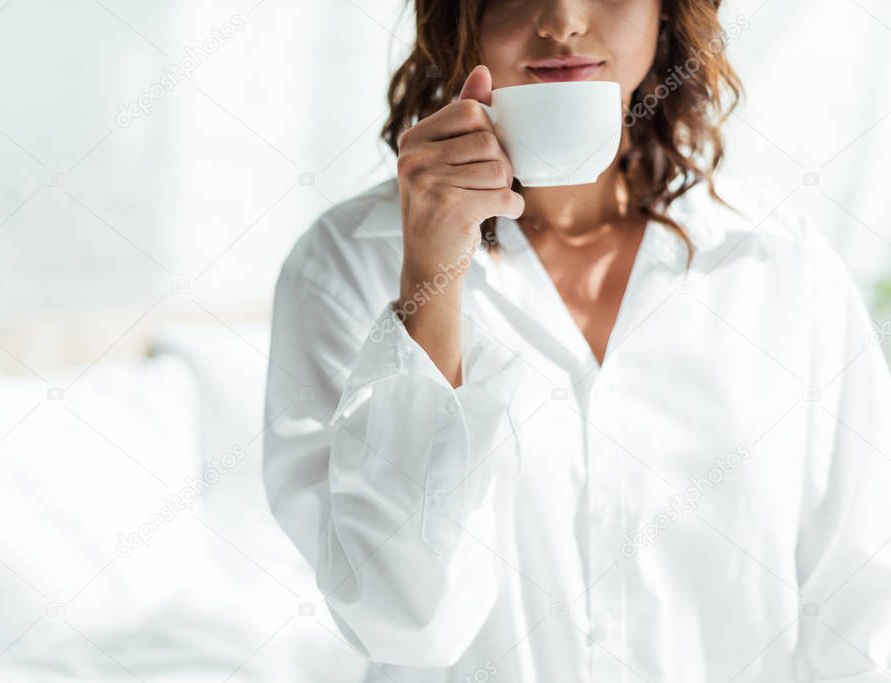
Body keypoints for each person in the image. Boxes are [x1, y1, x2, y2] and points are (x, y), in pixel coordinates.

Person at [263, 0, 891, 680]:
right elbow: (402, 622)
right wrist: (431, 275)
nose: (561, 18)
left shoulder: (780, 264)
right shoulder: (343, 264)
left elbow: (861, 605)